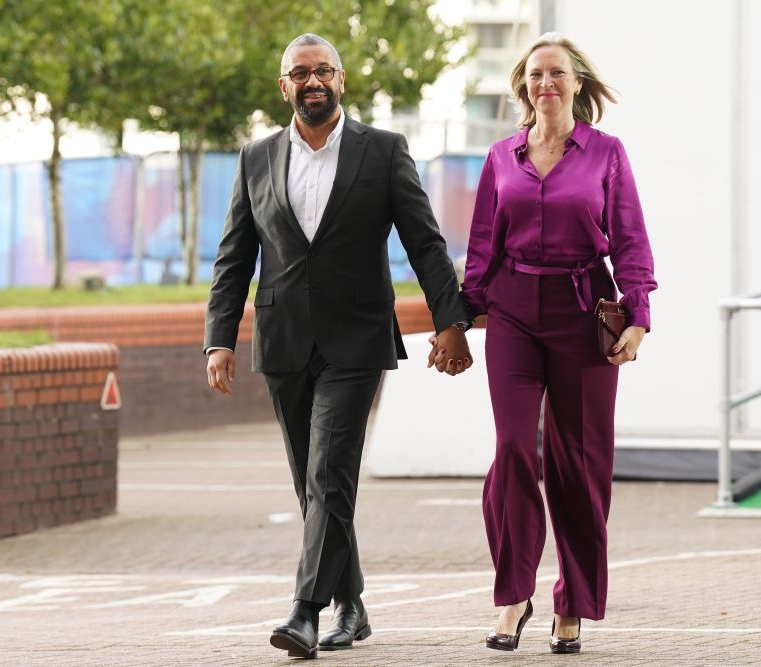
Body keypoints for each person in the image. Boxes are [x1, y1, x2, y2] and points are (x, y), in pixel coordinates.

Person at [203, 33, 473, 659]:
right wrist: (218, 339)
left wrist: (449, 320)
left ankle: (304, 611)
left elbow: (425, 243)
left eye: (323, 70)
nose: (312, 80)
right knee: (314, 484)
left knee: (328, 472)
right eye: (300, 72)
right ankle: (351, 603)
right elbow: (234, 257)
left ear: (342, 80)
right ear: (284, 86)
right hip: (284, 340)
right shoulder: (257, 157)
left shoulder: (382, 151)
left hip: (357, 338)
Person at [460, 33, 657, 654]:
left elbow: (628, 240)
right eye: (535, 74)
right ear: (524, 85)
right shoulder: (500, 156)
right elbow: (482, 244)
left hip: (583, 311)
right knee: (514, 448)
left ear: (577, 84)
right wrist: (459, 317)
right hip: (514, 312)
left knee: (580, 461)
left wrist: (638, 316)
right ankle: (514, 595)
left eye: (557, 75)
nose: (546, 83)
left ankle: (571, 601)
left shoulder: (607, 153)